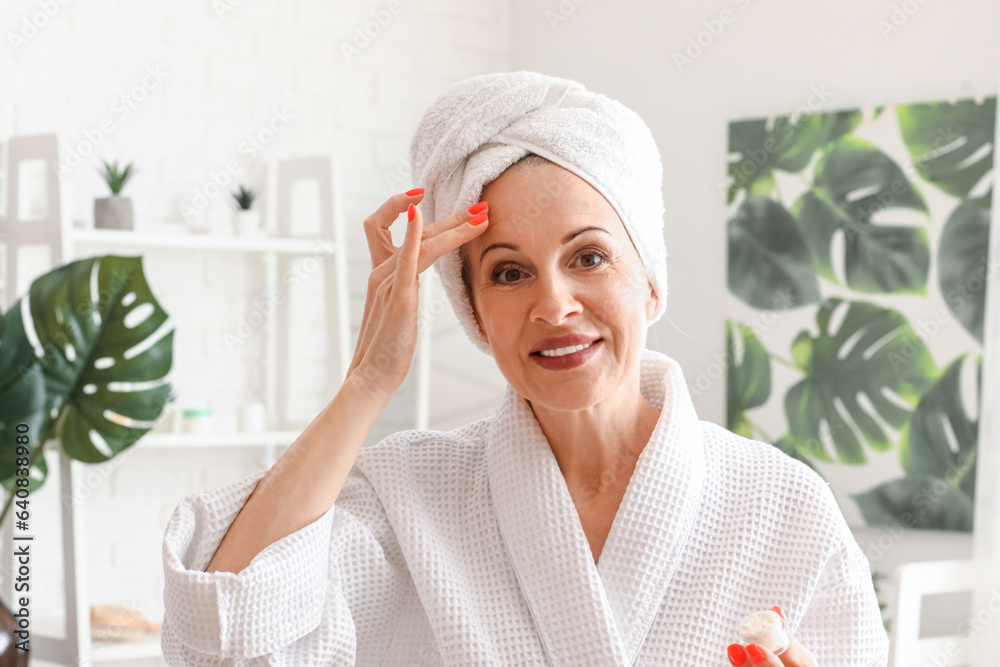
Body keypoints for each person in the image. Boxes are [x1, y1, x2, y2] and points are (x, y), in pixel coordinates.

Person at [160, 71, 889, 666]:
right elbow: (223, 632)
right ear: (475, 309)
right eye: (509, 273)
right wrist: (368, 381)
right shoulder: (410, 496)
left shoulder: (783, 507)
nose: (554, 304)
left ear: (652, 280)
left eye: (589, 257)